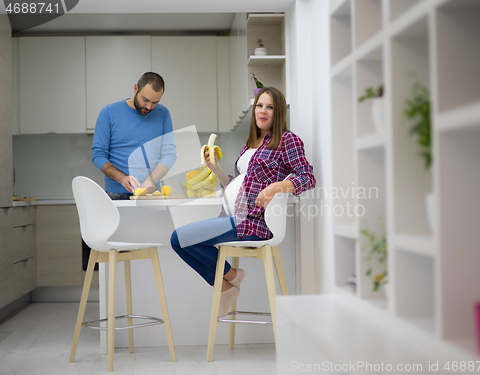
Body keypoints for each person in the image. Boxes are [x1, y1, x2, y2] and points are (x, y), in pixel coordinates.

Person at [170, 87, 316, 317]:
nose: (263, 111)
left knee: (178, 239)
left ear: (278, 113)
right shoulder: (251, 143)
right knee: (180, 241)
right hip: (235, 217)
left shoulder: (288, 140)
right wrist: (215, 169)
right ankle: (228, 282)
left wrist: (276, 187)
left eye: (270, 107)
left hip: (255, 223)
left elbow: (307, 177)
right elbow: (237, 185)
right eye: (259, 106)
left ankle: (230, 280)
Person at [92, 72, 176, 200]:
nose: (149, 107)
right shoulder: (109, 113)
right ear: (136, 88)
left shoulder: (163, 113)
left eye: (155, 102)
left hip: (152, 194)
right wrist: (122, 178)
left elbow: (169, 154)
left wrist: (152, 179)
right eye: (145, 100)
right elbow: (98, 155)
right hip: (117, 194)